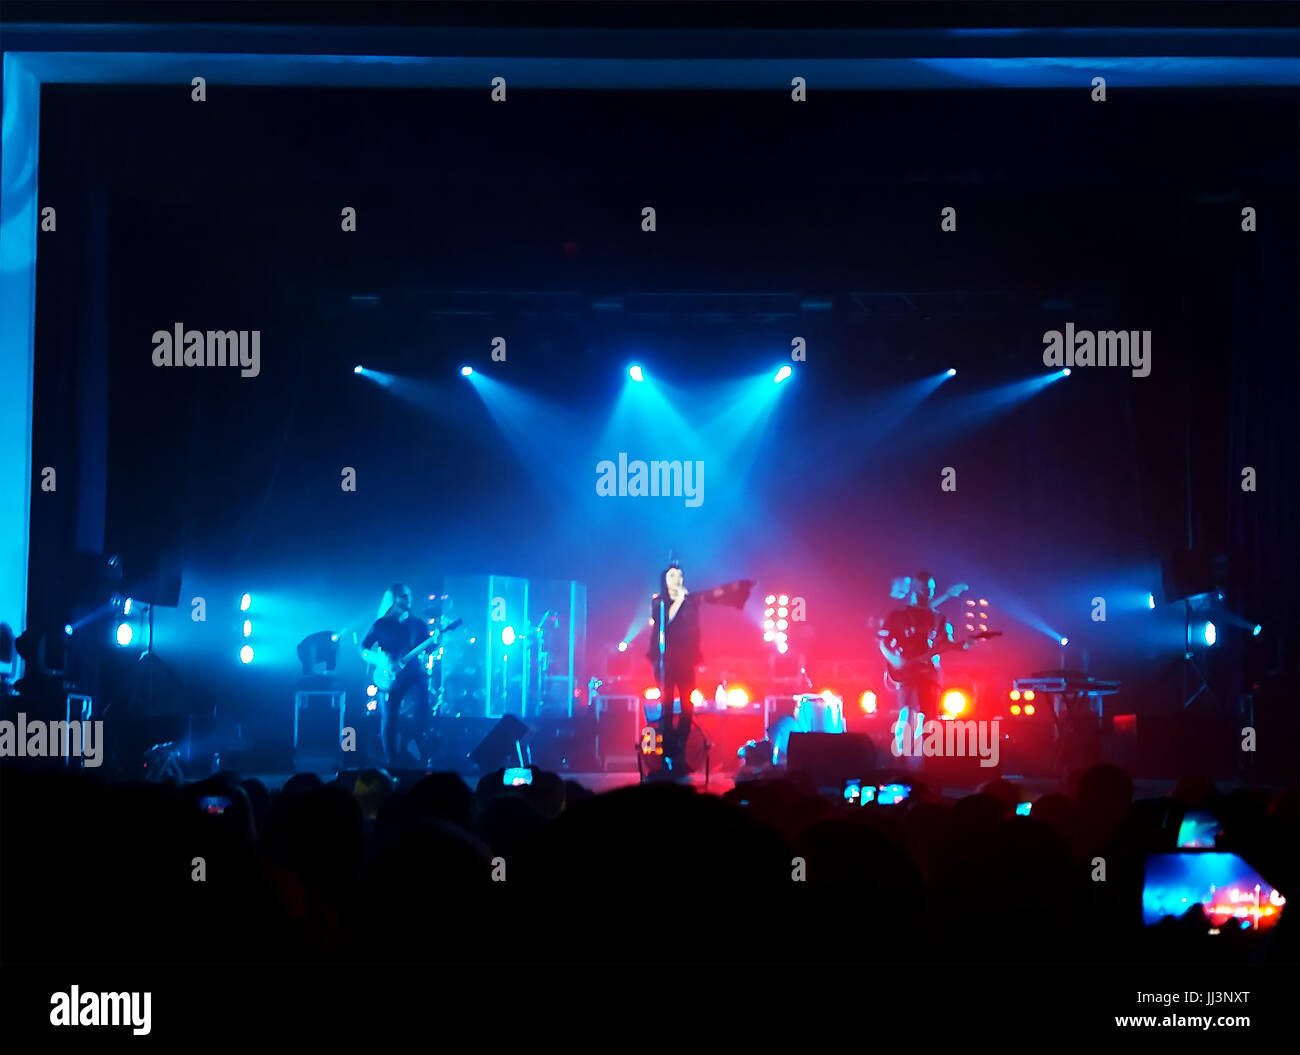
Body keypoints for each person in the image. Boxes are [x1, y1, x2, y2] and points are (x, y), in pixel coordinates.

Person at [646, 563, 753, 773]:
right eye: (672, 576)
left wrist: (739, 588)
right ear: (665, 580)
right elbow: (666, 620)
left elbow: (714, 595)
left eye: (679, 575)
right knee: (667, 709)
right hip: (666, 663)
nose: (677, 579)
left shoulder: (691, 599)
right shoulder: (659, 602)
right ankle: (667, 755)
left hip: (686, 662)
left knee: (687, 708)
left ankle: (678, 750)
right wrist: (678, 601)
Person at [878, 571, 960, 757]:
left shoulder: (938, 618)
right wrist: (895, 660)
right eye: (925, 589)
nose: (929, 593)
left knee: (928, 716)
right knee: (907, 714)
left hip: (930, 671)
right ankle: (902, 758)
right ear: (914, 589)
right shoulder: (897, 615)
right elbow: (882, 642)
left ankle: (924, 759)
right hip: (907, 672)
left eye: (931, 589)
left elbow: (947, 643)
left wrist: (959, 644)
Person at [361, 583, 431, 767]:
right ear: (393, 599)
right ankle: (391, 761)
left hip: (414, 673)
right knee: (389, 717)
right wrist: (380, 661)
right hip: (390, 675)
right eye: (403, 595)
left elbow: (428, 648)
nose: (408, 599)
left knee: (423, 704)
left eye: (409, 595)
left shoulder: (418, 625)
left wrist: (437, 642)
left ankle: (415, 740)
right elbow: (363, 648)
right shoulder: (381, 624)